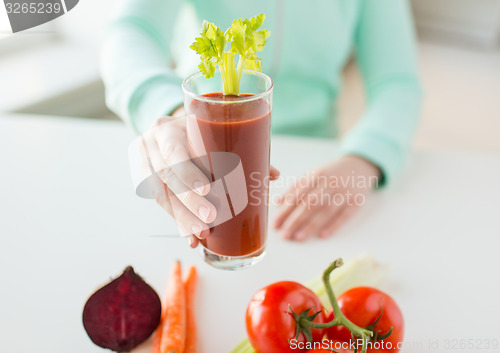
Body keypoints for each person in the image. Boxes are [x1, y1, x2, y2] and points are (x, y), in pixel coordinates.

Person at [101, 0, 422, 247]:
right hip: (199, 153)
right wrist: (165, 107)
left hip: (317, 161)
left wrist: (366, 156)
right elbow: (131, 32)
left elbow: (397, 81)